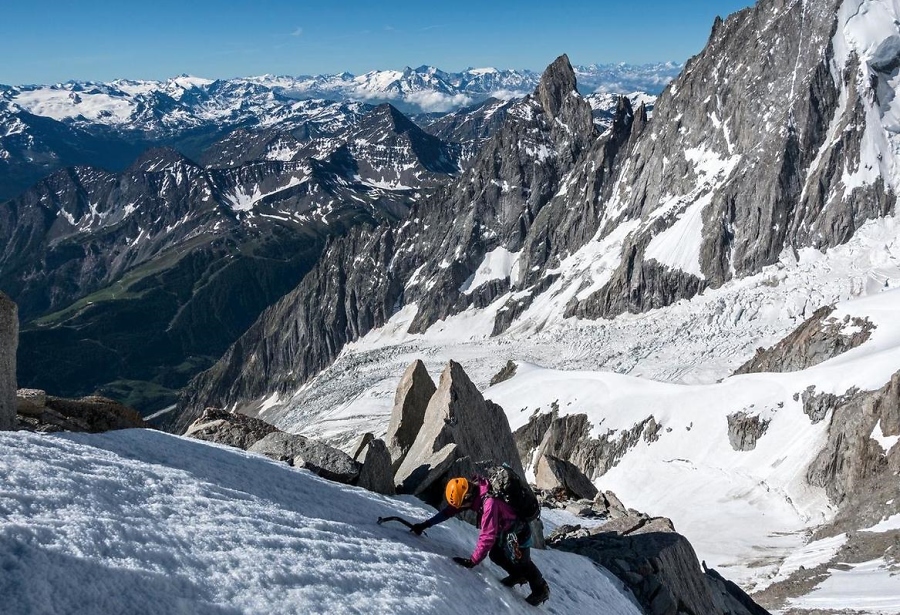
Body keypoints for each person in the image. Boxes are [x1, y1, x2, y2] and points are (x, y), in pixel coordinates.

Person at [411, 475, 550, 606]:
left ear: (467, 498)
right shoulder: (476, 490)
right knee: (496, 555)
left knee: (523, 561)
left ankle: (541, 590)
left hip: (519, 530)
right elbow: (449, 511)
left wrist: (472, 561)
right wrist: (426, 524)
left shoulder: (489, 504)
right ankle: (517, 575)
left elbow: (487, 536)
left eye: (461, 504)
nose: (459, 508)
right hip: (505, 529)